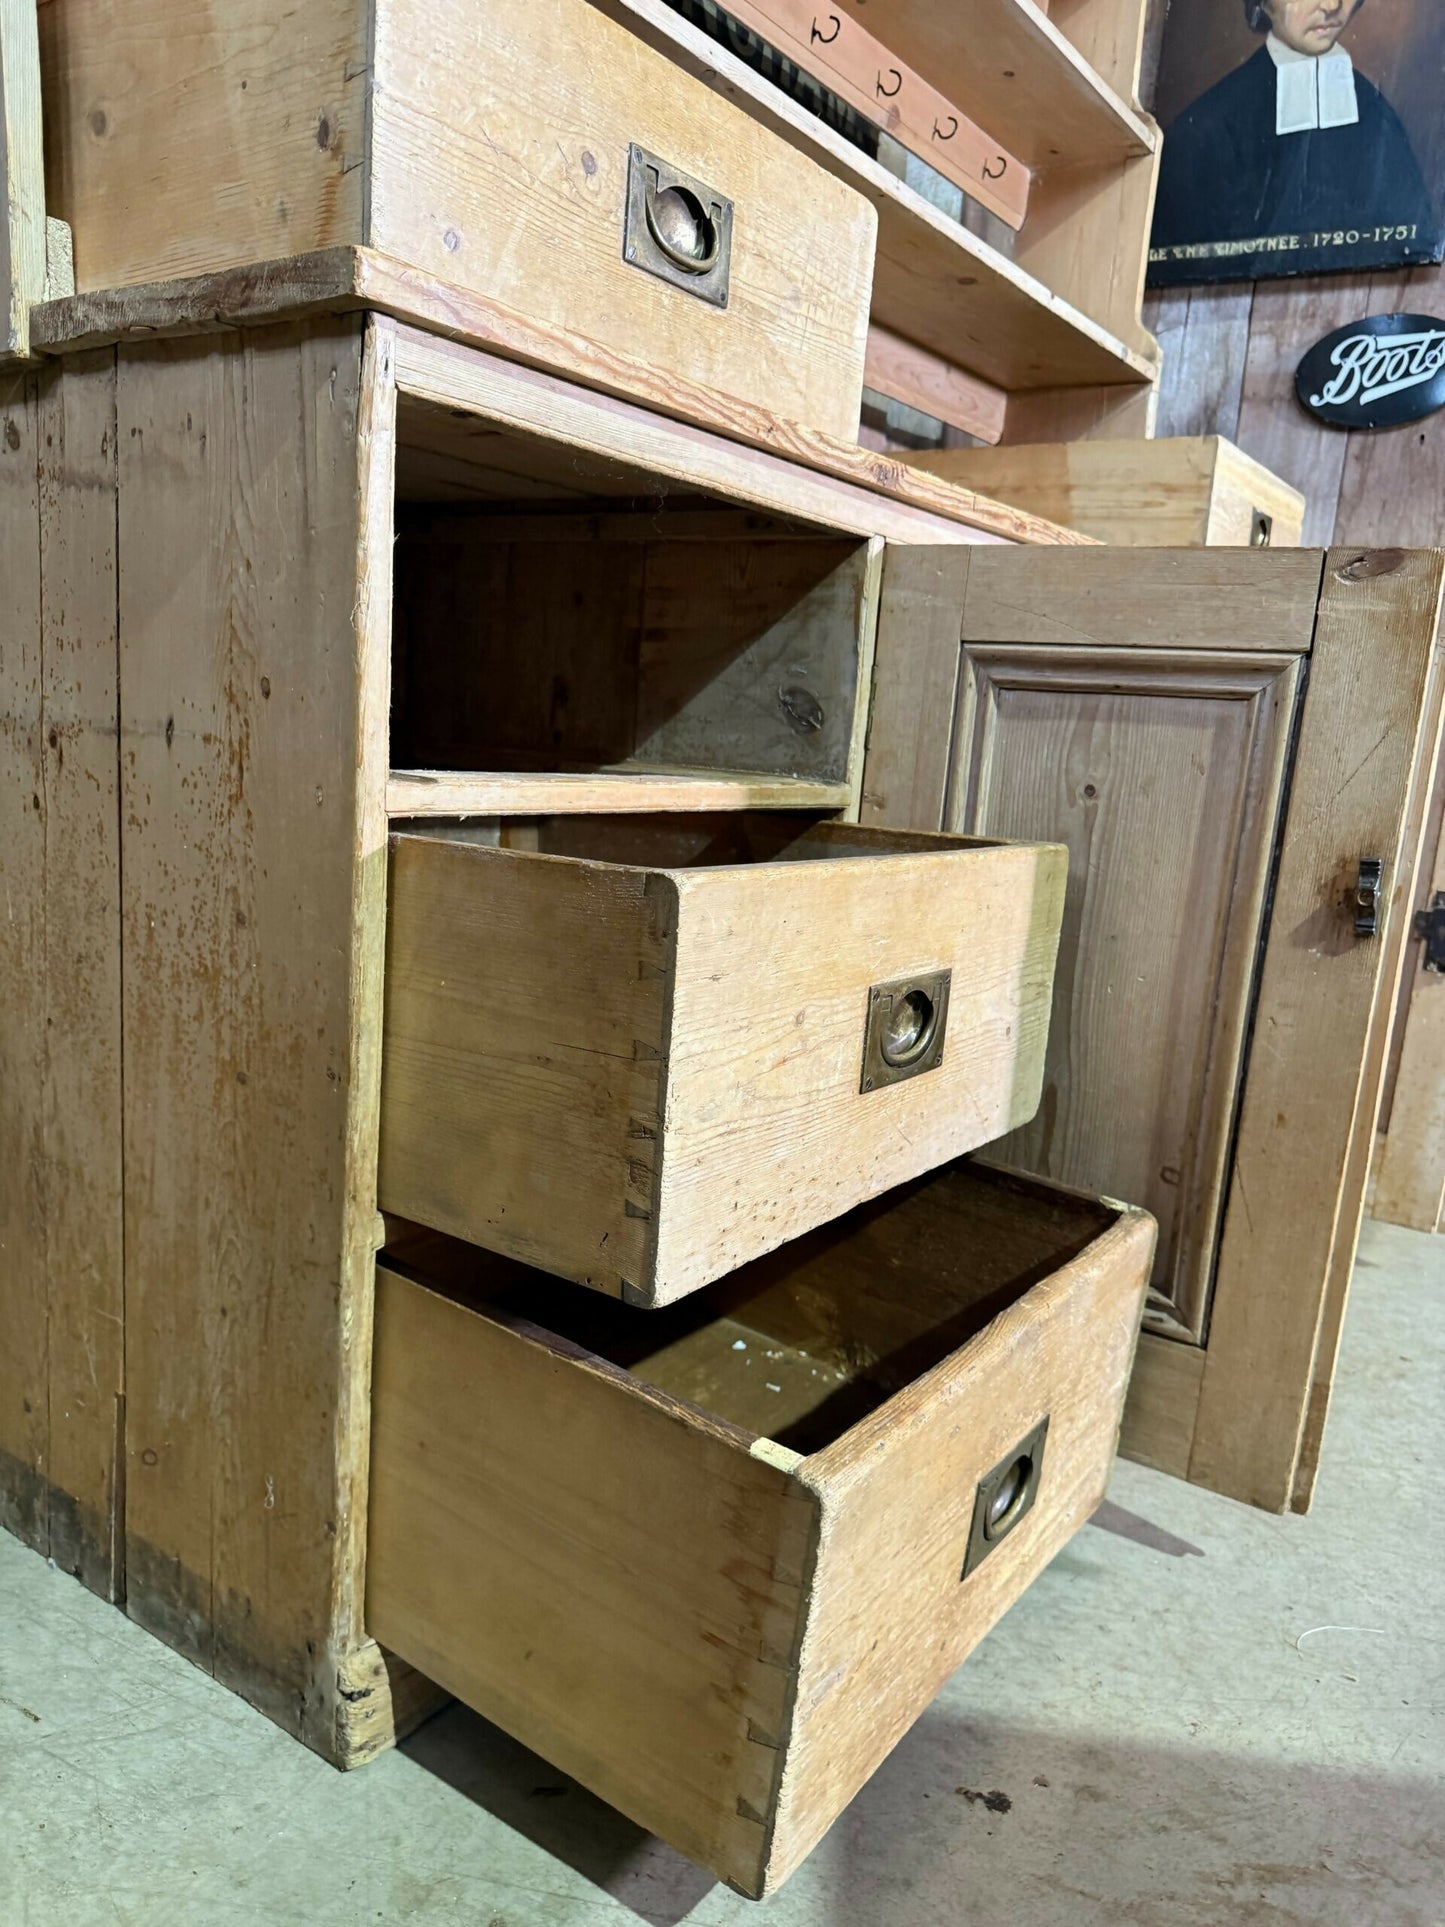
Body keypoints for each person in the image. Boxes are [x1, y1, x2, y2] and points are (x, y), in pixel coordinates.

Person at [1150, 0, 1439, 281]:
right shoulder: (1208, 127)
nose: (1331, 6)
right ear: (1263, 4)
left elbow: (1414, 238)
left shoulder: (1377, 116)